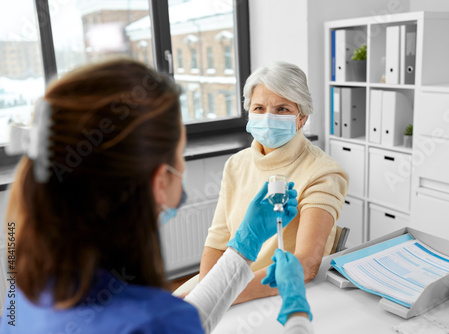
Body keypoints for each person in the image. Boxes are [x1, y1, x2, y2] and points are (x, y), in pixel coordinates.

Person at [0, 58, 313, 333]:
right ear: (160, 180)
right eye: (180, 154)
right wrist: (297, 311)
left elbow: (183, 323)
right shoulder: (153, 321)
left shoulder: (27, 292)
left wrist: (244, 246)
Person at [197, 61, 349, 304]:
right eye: (259, 108)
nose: (268, 117)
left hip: (273, 290)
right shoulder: (236, 164)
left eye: (282, 109)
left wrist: (215, 296)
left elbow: (306, 265)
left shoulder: (323, 173)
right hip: (226, 282)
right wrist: (204, 295)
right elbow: (217, 242)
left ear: (302, 118)